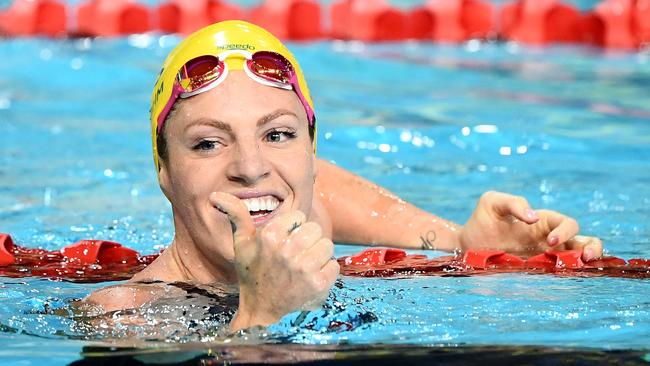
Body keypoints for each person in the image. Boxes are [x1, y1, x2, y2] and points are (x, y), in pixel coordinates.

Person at [87, 20, 603, 331]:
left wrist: (460, 242)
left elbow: (320, 185)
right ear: (163, 170)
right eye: (208, 143)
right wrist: (261, 320)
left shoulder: (298, 205)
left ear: (309, 149)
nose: (250, 168)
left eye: (278, 135)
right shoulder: (124, 318)